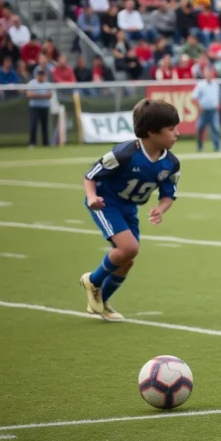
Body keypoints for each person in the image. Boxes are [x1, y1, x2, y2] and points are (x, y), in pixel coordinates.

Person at [80, 99, 181, 321]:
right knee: (129, 248)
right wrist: (92, 196)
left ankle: (101, 302)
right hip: (106, 204)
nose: (177, 133)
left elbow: (168, 194)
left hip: (129, 208)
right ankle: (93, 281)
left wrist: (161, 208)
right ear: (152, 132)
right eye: (171, 129)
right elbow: (90, 176)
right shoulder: (124, 154)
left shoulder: (171, 163)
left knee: (127, 260)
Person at [192, 66, 221, 152]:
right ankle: (200, 146)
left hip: (213, 110)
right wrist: (199, 107)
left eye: (210, 72)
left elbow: (219, 96)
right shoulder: (200, 85)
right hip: (204, 111)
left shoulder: (216, 84)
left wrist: (218, 104)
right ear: (204, 74)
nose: (209, 74)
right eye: (207, 73)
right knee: (200, 128)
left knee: (215, 128)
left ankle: (217, 147)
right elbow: (193, 98)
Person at [27, 68, 53, 147]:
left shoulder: (47, 84)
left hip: (44, 107)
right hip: (34, 107)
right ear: (37, 76)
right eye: (40, 75)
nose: (41, 77)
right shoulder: (32, 83)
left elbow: (50, 95)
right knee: (33, 125)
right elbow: (29, 95)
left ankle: (45, 143)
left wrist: (37, 96)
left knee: (45, 126)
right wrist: (42, 96)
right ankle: (32, 143)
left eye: (42, 75)